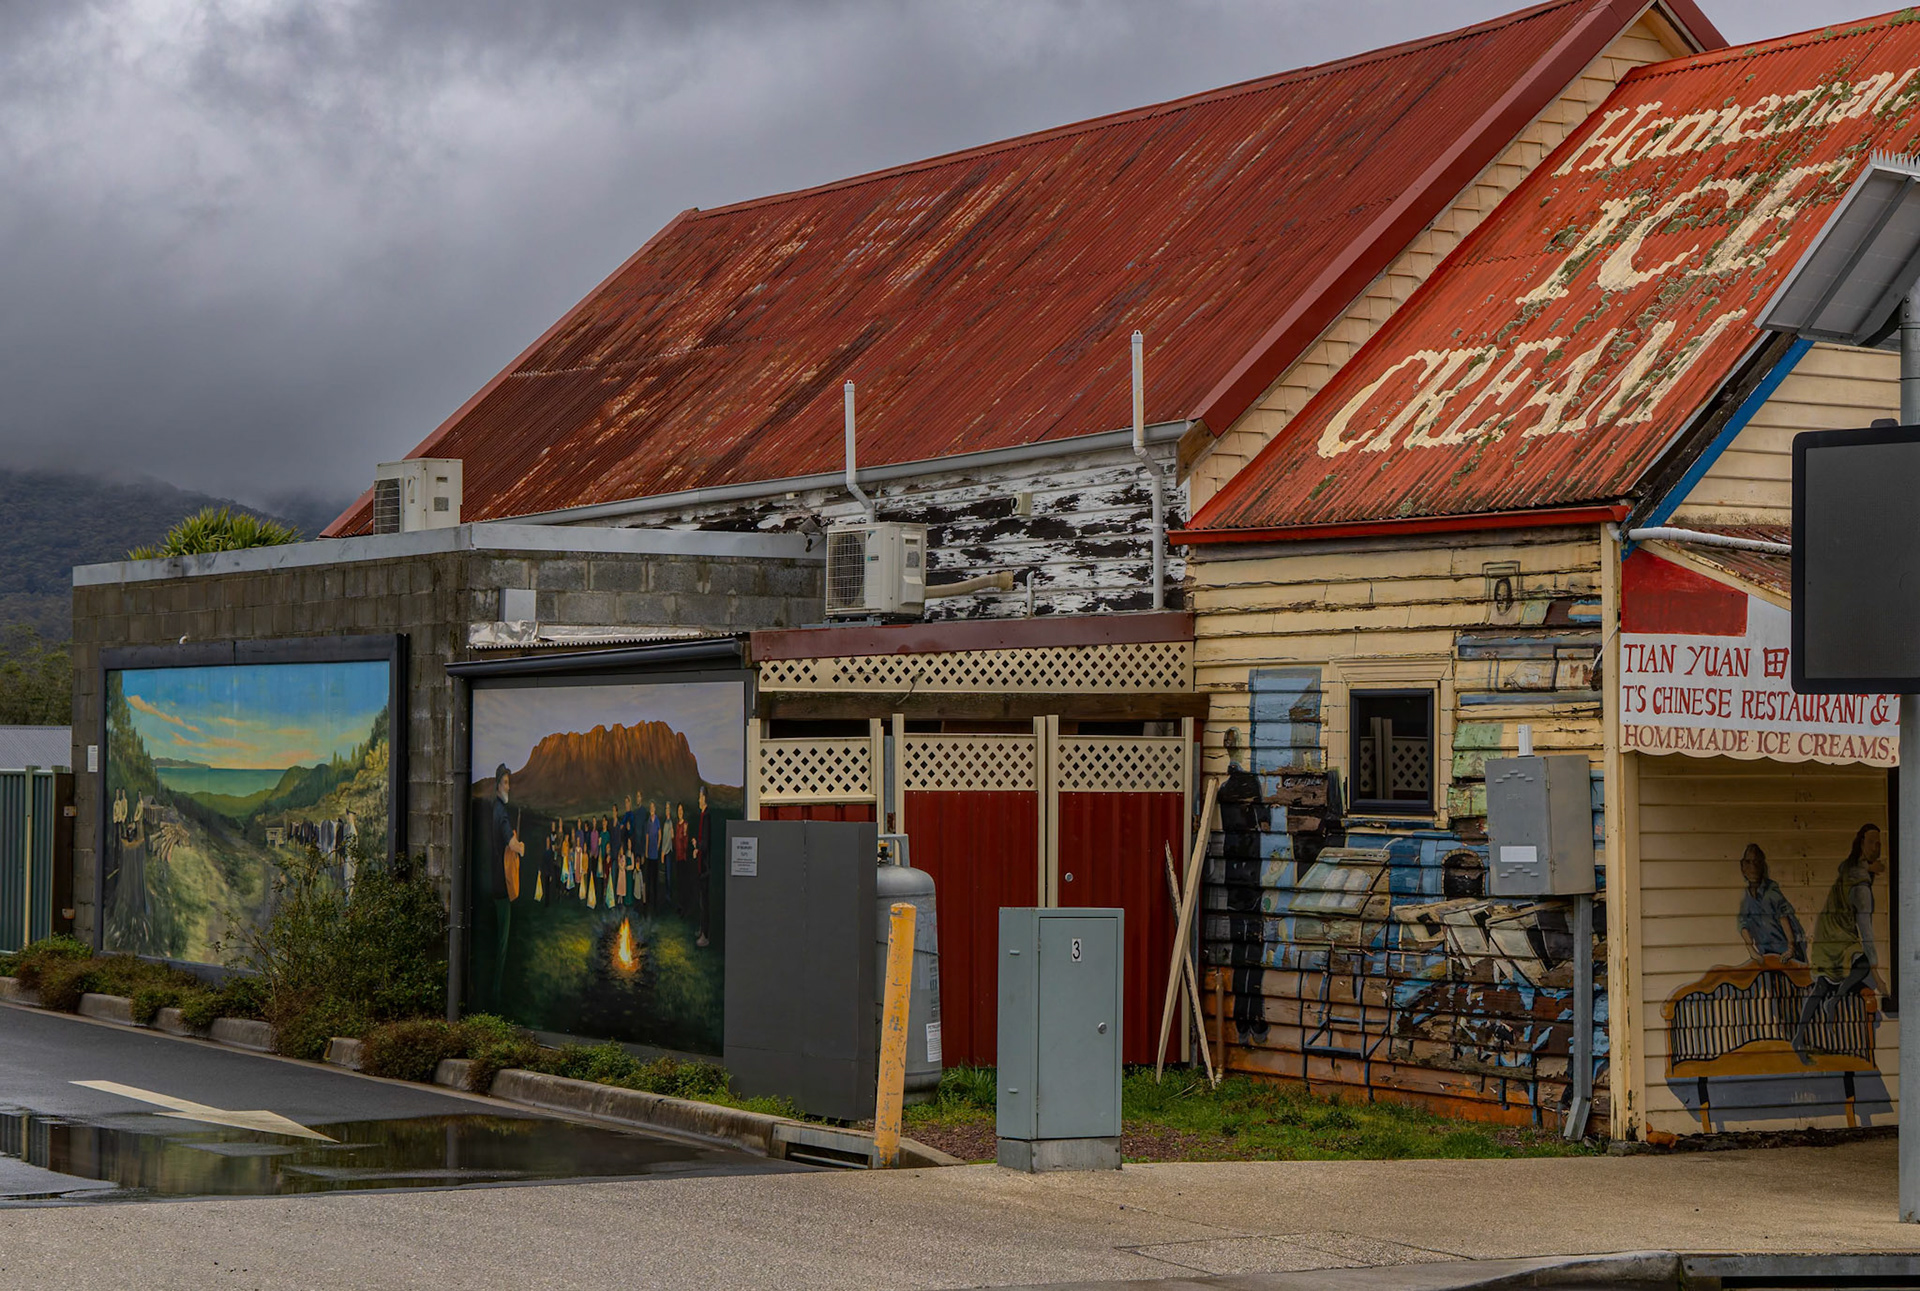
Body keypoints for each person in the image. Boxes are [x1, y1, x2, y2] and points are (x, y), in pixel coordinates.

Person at [1792, 823, 1888, 1065]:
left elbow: (1847, 867)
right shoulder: (1861, 888)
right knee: (1863, 965)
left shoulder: (1852, 869)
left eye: (1879, 842)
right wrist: (1877, 977)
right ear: (1860, 844)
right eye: (1871, 842)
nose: (1876, 847)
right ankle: (1835, 1001)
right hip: (1837, 934)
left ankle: (1798, 1038)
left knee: (1822, 985)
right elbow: (1866, 932)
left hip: (1829, 933)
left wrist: (1869, 867)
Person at [487, 765, 525, 1001]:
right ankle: (497, 992)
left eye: (509, 783)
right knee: (502, 941)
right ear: (498, 785)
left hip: (495, 881)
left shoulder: (494, 808)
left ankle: (496, 989)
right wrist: (520, 846)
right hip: (502, 884)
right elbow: (510, 844)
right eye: (506, 783)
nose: (508, 787)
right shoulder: (501, 812)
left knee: (499, 936)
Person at [1736, 843, 1804, 962]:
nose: (1752, 867)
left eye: (1756, 862)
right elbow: (1743, 924)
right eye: (1748, 862)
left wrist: (1790, 949)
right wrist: (1751, 950)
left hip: (1786, 956)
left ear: (1762, 866)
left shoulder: (1771, 892)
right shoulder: (1747, 898)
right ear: (1743, 866)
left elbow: (1784, 918)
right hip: (1766, 957)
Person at [694, 786, 712, 947]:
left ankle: (705, 935)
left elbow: (705, 844)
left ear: (705, 798)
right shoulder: (702, 815)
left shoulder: (706, 816)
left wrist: (698, 847)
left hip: (705, 868)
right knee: (701, 901)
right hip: (701, 866)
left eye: (700, 797)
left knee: (704, 903)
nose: (698, 799)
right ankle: (702, 930)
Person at [644, 800, 664, 917]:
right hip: (649, 855)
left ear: (655, 809)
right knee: (649, 878)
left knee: (655, 879)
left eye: (653, 807)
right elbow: (647, 837)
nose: (651, 809)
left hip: (655, 855)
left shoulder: (656, 820)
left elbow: (660, 834)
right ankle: (649, 903)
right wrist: (646, 851)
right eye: (650, 807)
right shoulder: (648, 822)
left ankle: (656, 904)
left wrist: (658, 845)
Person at [673, 803, 690, 918]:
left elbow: (686, 844)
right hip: (677, 858)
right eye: (678, 810)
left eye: (681, 810)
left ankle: (684, 908)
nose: (680, 812)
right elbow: (676, 843)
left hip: (683, 859)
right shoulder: (677, 825)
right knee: (678, 883)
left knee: (684, 884)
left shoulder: (685, 825)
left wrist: (685, 834)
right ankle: (679, 907)